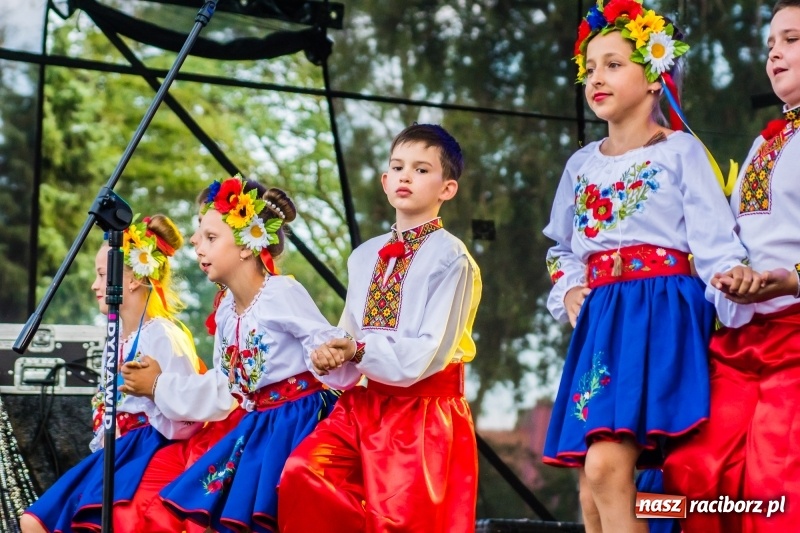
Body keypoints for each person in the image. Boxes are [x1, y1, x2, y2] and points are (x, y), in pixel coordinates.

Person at [541, 2, 760, 532]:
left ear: (656, 77)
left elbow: (715, 243)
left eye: (614, 65)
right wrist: (569, 288)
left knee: (606, 467)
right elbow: (560, 248)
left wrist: (733, 284)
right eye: (590, 68)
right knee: (592, 487)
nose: (597, 78)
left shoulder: (680, 152)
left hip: (661, 313)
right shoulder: (581, 164)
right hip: (603, 320)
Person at [278, 123, 482, 533]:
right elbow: (350, 333)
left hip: (423, 413)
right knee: (303, 473)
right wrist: (333, 355)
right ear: (386, 181)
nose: (406, 176)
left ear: (447, 188)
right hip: (364, 406)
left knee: (399, 523)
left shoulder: (452, 258)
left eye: (421, 169)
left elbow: (426, 354)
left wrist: (357, 350)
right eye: (398, 167)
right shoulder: (363, 256)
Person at [139, 176, 346, 533]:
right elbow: (226, 382)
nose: (196, 244)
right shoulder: (226, 311)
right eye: (199, 235)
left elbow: (322, 340)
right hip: (258, 423)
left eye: (210, 237)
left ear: (248, 246)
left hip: (297, 421)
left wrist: (325, 355)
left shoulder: (280, 292)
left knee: (283, 510)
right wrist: (161, 387)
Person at [663, 2, 800, 531]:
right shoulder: (766, 140)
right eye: (770, 44)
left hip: (793, 338)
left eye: (791, 40)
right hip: (742, 341)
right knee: (690, 472)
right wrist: (732, 276)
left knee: (775, 485)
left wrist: (791, 279)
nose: (775, 53)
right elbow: (734, 239)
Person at [20, 214, 202, 533]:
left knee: (112, 520)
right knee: (34, 521)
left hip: (151, 449)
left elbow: (189, 416)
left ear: (133, 280)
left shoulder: (162, 334)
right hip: (121, 448)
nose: (94, 285)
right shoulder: (116, 338)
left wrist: (154, 390)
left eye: (102, 275)